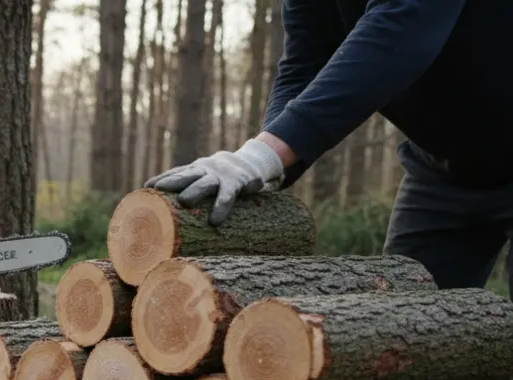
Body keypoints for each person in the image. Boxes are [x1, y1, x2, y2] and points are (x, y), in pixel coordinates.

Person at [146, 1, 513, 290]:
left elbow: (402, 25)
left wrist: (265, 154)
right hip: (443, 174)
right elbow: (303, 66)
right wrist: (265, 167)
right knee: (410, 331)